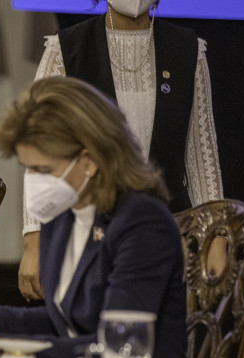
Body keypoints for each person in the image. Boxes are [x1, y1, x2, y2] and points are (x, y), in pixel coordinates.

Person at [0, 76, 199, 358]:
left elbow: (120, 346)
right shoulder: (61, 212)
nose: (34, 182)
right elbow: (65, 322)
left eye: (44, 170)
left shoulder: (142, 222)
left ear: (89, 160)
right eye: (28, 169)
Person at [18, 0, 225, 301]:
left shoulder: (188, 50)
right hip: (88, 245)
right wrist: (33, 242)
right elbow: (38, 152)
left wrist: (217, 238)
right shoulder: (66, 50)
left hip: (168, 244)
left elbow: (202, 160)